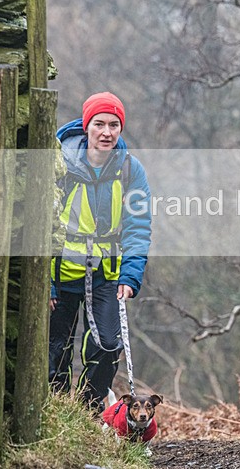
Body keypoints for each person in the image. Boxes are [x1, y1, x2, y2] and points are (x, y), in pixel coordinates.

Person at [48, 91, 152, 411]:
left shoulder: (130, 170)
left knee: (108, 347)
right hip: (60, 273)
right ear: (86, 125)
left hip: (106, 273)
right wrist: (45, 281)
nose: (106, 132)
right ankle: (57, 408)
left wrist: (131, 276)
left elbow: (138, 226)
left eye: (114, 125)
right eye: (99, 124)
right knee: (54, 350)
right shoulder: (59, 164)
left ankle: (90, 411)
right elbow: (41, 222)